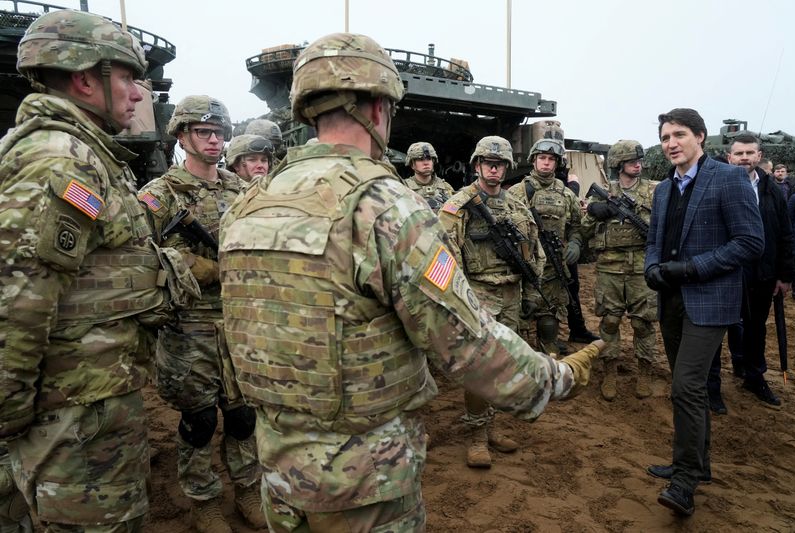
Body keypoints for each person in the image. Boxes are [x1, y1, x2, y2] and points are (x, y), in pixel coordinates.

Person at [218, 32, 604, 532]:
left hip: (279, 470)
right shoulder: (385, 205)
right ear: (379, 107)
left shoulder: (248, 203)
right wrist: (558, 378)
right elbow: (466, 341)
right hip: (364, 481)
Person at [0, 9, 194, 530]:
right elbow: (19, 295)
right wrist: (11, 413)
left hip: (90, 400)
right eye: (129, 78)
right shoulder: (61, 160)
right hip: (73, 414)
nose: (137, 94)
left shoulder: (86, 154)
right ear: (86, 78)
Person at [139, 96, 264, 532]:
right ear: (182, 136)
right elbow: (140, 260)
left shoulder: (242, 190)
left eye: (219, 134)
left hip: (240, 320)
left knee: (243, 412)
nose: (213, 141)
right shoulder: (159, 196)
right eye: (203, 133)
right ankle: (203, 498)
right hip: (188, 325)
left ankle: (248, 487)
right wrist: (199, 267)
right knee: (199, 417)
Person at [644, 108, 764, 516]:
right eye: (664, 138)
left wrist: (692, 268)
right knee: (686, 387)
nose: (671, 143)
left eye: (679, 134)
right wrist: (652, 268)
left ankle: (685, 482)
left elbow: (750, 242)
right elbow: (654, 241)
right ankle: (694, 463)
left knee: (687, 386)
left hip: (710, 301)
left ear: (700, 136)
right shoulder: (663, 190)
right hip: (671, 301)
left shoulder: (728, 178)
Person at [438, 136, 544, 468]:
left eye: (499, 165)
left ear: (507, 169)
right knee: (478, 368)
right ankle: (476, 435)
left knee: (501, 364)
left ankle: (491, 426)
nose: (494, 169)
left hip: (511, 294)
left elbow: (534, 254)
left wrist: (531, 295)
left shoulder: (517, 207)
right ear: (477, 166)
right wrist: (458, 301)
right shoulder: (458, 206)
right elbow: (445, 257)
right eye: (488, 163)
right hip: (477, 293)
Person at [582, 140, 658, 401]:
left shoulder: (653, 191)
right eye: (630, 160)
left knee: (642, 322)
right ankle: (609, 371)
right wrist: (596, 210)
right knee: (610, 321)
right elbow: (583, 227)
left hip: (641, 268)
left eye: (638, 159)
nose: (637, 164)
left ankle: (645, 371)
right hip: (609, 268)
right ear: (617, 164)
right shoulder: (604, 191)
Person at [722, 135, 792, 406]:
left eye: (750, 152)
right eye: (739, 153)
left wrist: (784, 275)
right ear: (730, 158)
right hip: (726, 271)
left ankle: (754, 376)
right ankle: (718, 379)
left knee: (755, 328)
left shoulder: (772, 190)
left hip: (761, 273)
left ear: (759, 156)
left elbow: (785, 234)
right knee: (722, 326)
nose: (744, 158)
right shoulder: (718, 186)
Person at [508, 139, 585, 355]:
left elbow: (577, 226)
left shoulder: (567, 194)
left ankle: (548, 363)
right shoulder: (516, 192)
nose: (546, 163)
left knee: (549, 320)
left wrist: (576, 243)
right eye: (542, 158)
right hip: (523, 267)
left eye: (551, 159)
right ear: (533, 161)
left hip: (553, 267)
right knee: (519, 322)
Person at [404, 141, 454, 212]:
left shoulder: (445, 187)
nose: (426, 163)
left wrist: (448, 206)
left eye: (429, 159)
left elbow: (456, 212)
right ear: (412, 164)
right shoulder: (403, 187)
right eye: (420, 159)